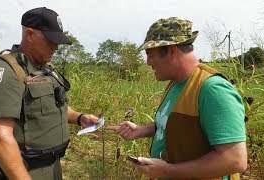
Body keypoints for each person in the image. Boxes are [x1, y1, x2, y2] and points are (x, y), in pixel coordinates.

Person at [106, 17, 247, 179]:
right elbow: (178, 125)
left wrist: (167, 171)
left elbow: (234, 160)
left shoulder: (213, 90)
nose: (148, 62)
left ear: (172, 51)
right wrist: (141, 130)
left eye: (150, 55)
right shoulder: (175, 84)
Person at [0, 7, 99, 180]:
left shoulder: (46, 70)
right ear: (29, 34)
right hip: (23, 170)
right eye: (50, 40)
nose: (56, 47)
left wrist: (80, 118)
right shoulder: (7, 72)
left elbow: (53, 108)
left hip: (53, 166)